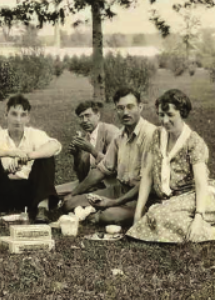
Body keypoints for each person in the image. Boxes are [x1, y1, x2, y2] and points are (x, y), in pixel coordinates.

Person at [126, 89, 215, 246]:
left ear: (182, 113)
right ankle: (213, 231)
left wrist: (198, 216)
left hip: (200, 198)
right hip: (173, 200)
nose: (165, 120)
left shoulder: (194, 142)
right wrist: (137, 214)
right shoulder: (157, 136)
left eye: (170, 115)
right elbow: (147, 175)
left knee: (156, 214)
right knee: (154, 214)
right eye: (161, 115)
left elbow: (201, 183)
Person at [62, 87, 157, 227]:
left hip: (143, 196)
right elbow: (102, 169)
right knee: (70, 203)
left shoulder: (150, 134)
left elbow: (146, 182)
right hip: (119, 190)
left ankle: (100, 213)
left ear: (140, 107)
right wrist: (74, 193)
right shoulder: (120, 136)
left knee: (108, 215)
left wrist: (114, 202)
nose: (125, 112)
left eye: (130, 107)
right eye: (120, 108)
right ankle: (92, 212)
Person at [0, 94, 62, 226]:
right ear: (6, 115)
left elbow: (55, 146)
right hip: (3, 192)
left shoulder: (34, 134)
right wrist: (9, 153)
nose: (18, 120)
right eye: (14, 114)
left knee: (46, 158)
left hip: (31, 193)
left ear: (28, 118)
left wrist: (28, 156)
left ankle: (42, 209)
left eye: (23, 115)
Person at [56, 100, 120, 196]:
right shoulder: (87, 137)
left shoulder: (111, 132)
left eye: (87, 115)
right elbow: (82, 176)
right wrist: (76, 155)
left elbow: (115, 168)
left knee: (71, 202)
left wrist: (92, 150)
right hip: (90, 183)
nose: (84, 120)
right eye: (81, 117)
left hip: (110, 185)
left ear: (98, 115)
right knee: (51, 191)